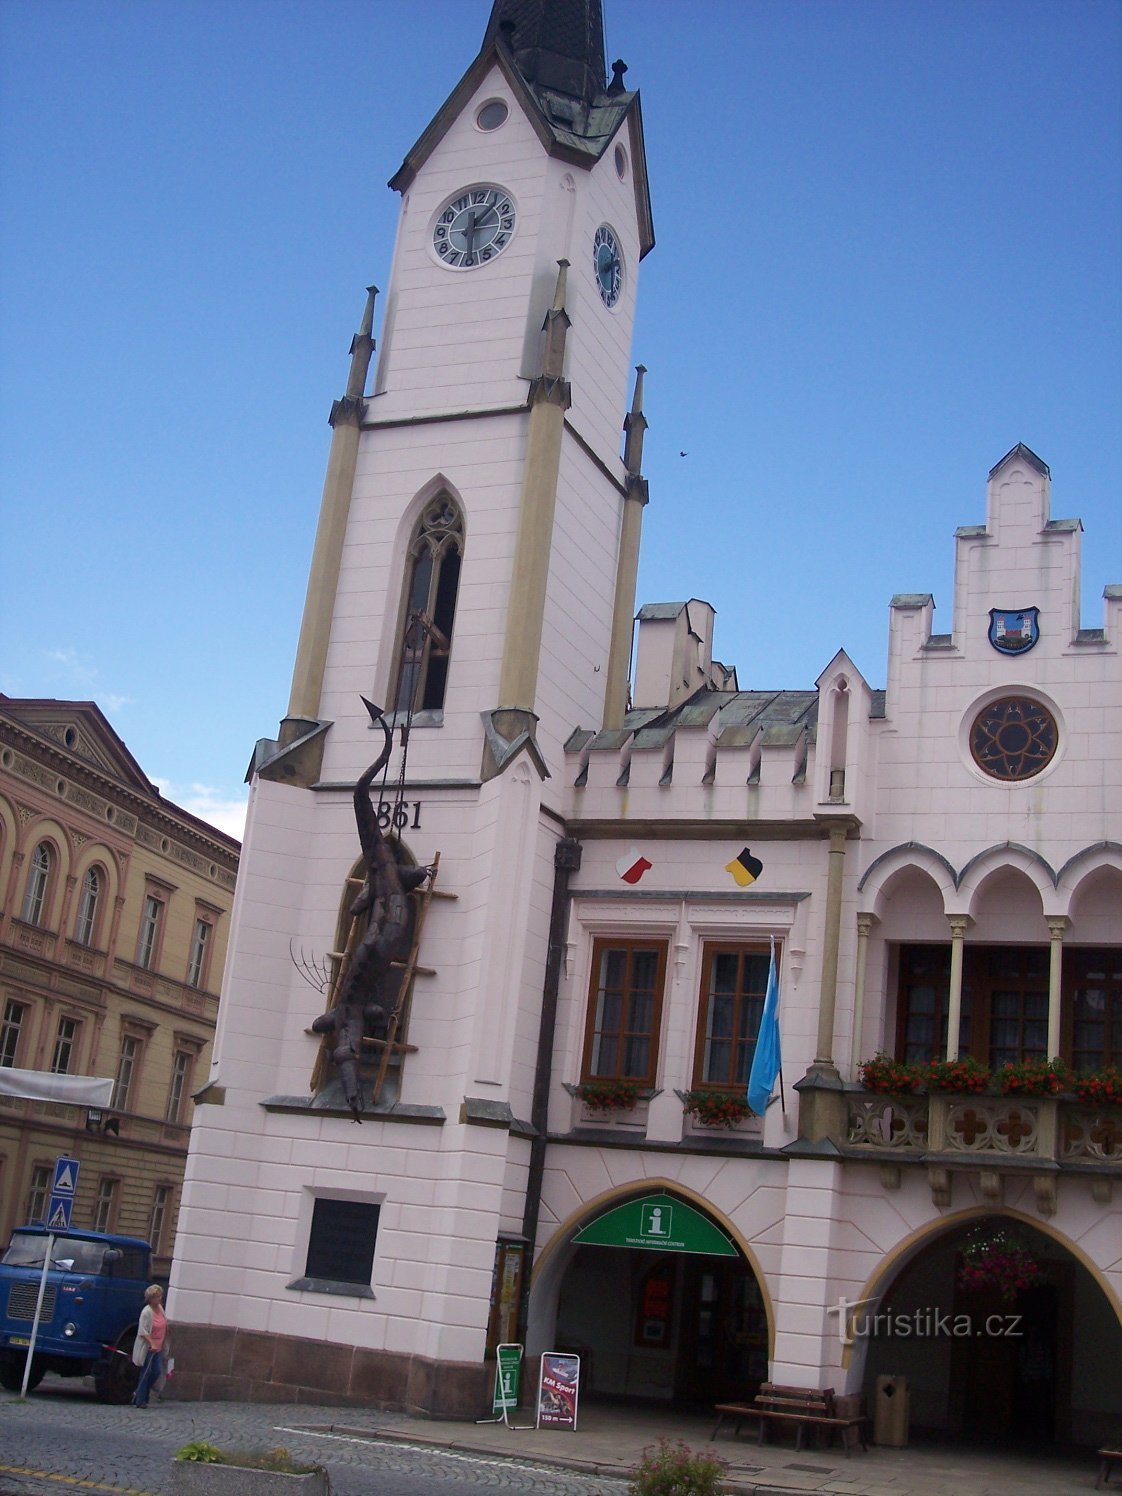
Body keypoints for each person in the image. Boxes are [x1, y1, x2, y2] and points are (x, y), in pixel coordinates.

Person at [130, 1284, 168, 1408]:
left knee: (156, 1371)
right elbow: (143, 1331)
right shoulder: (146, 1312)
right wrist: (151, 1342)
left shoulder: (160, 1309)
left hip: (159, 1345)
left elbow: (163, 1323)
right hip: (148, 1347)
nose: (159, 1299)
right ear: (150, 1299)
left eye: (160, 1296)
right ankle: (140, 1400)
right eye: (157, 1297)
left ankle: (141, 1393)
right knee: (146, 1371)